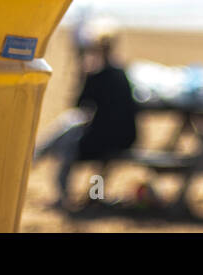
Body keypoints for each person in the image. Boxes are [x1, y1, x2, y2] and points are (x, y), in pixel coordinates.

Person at [47, 28, 138, 209]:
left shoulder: (97, 75)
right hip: (125, 138)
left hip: (103, 140)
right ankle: (95, 194)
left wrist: (84, 74)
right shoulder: (121, 72)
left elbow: (80, 104)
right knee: (92, 152)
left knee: (68, 145)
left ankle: (61, 193)